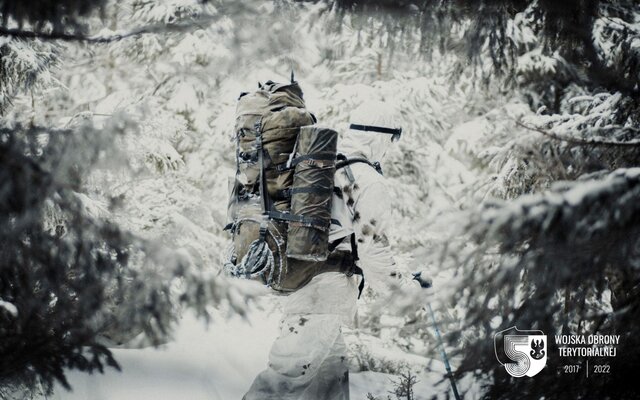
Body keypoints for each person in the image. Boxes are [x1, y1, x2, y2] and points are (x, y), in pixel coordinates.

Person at [243, 100, 402, 400]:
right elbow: (372, 249)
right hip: (324, 294)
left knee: (329, 381)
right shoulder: (366, 180)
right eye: (391, 138)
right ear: (379, 135)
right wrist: (402, 290)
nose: (390, 147)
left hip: (306, 280)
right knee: (285, 380)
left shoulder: (326, 165)